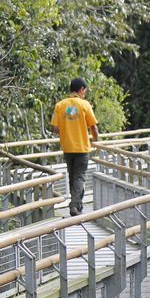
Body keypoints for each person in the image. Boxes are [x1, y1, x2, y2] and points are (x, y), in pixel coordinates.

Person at [49, 77, 99, 217]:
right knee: (79, 177)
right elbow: (93, 127)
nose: (85, 94)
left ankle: (78, 205)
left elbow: (54, 127)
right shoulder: (84, 105)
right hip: (82, 147)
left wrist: (66, 130)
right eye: (85, 91)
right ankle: (74, 205)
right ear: (81, 89)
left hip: (67, 147)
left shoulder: (60, 105)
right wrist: (96, 140)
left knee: (73, 177)